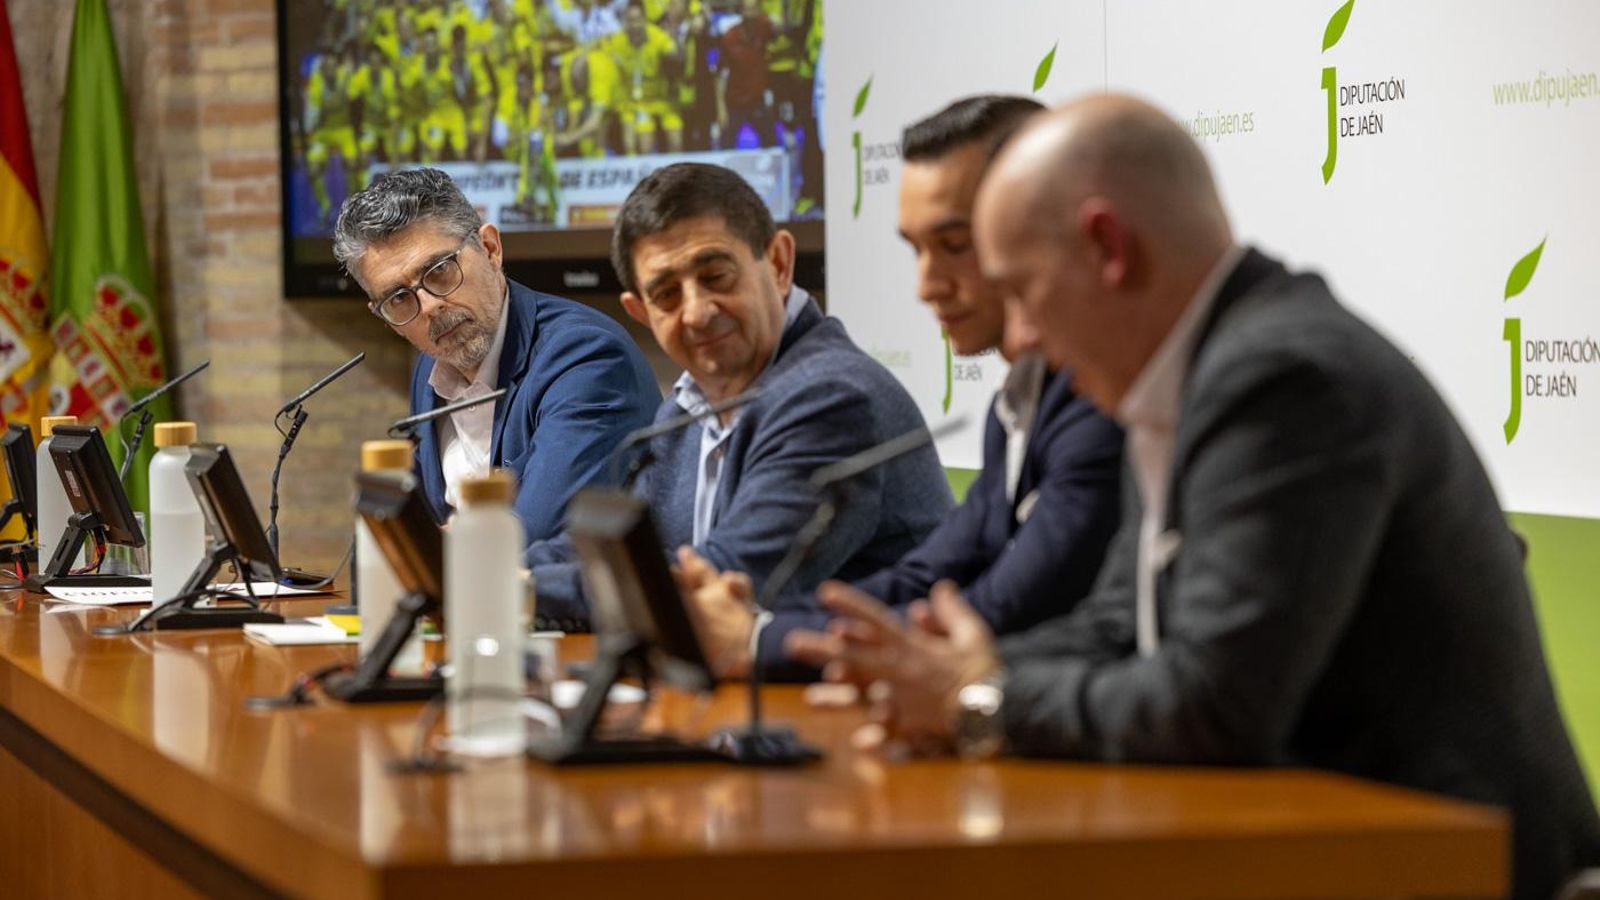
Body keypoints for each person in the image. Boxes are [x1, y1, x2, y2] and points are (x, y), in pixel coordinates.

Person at [786, 95, 1600, 900]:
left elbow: (1214, 701)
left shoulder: (1282, 380)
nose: (1023, 336)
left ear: (1109, 248)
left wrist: (977, 698)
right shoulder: (1190, 377)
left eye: (1024, 290)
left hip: (1457, 868)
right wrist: (938, 675)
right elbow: (1120, 624)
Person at [675, 95, 1123, 681]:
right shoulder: (1017, 403)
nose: (926, 285)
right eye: (915, 249)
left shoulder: (1102, 402)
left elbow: (1004, 612)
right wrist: (755, 625)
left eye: (955, 245)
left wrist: (757, 639)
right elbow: (928, 577)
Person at [525, 162, 952, 630]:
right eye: (667, 294)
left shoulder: (833, 397)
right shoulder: (686, 405)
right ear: (642, 312)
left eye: (716, 275)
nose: (697, 312)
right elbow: (622, 548)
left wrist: (521, 592)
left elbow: (726, 583)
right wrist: (495, 570)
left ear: (779, 264)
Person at [333, 168, 659, 544]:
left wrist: (437, 544)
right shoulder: (431, 368)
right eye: (398, 298)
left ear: (490, 249)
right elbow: (402, 532)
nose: (430, 307)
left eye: (439, 271)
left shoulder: (586, 357)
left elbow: (531, 536)